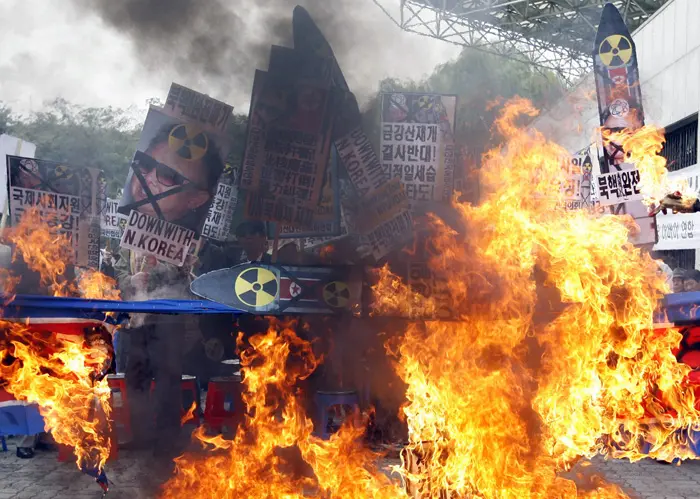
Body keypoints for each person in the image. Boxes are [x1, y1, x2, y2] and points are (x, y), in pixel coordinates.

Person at [114, 248, 195, 461]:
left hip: (167, 319)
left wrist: (158, 267)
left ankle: (167, 440)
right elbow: (118, 273)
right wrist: (131, 280)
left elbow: (183, 275)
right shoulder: (128, 244)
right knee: (135, 378)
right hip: (138, 320)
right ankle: (142, 434)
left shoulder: (173, 241)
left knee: (168, 379)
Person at [119, 122, 225, 233]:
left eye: (167, 175)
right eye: (146, 163)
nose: (149, 178)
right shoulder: (114, 222)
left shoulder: (191, 248)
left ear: (196, 199)